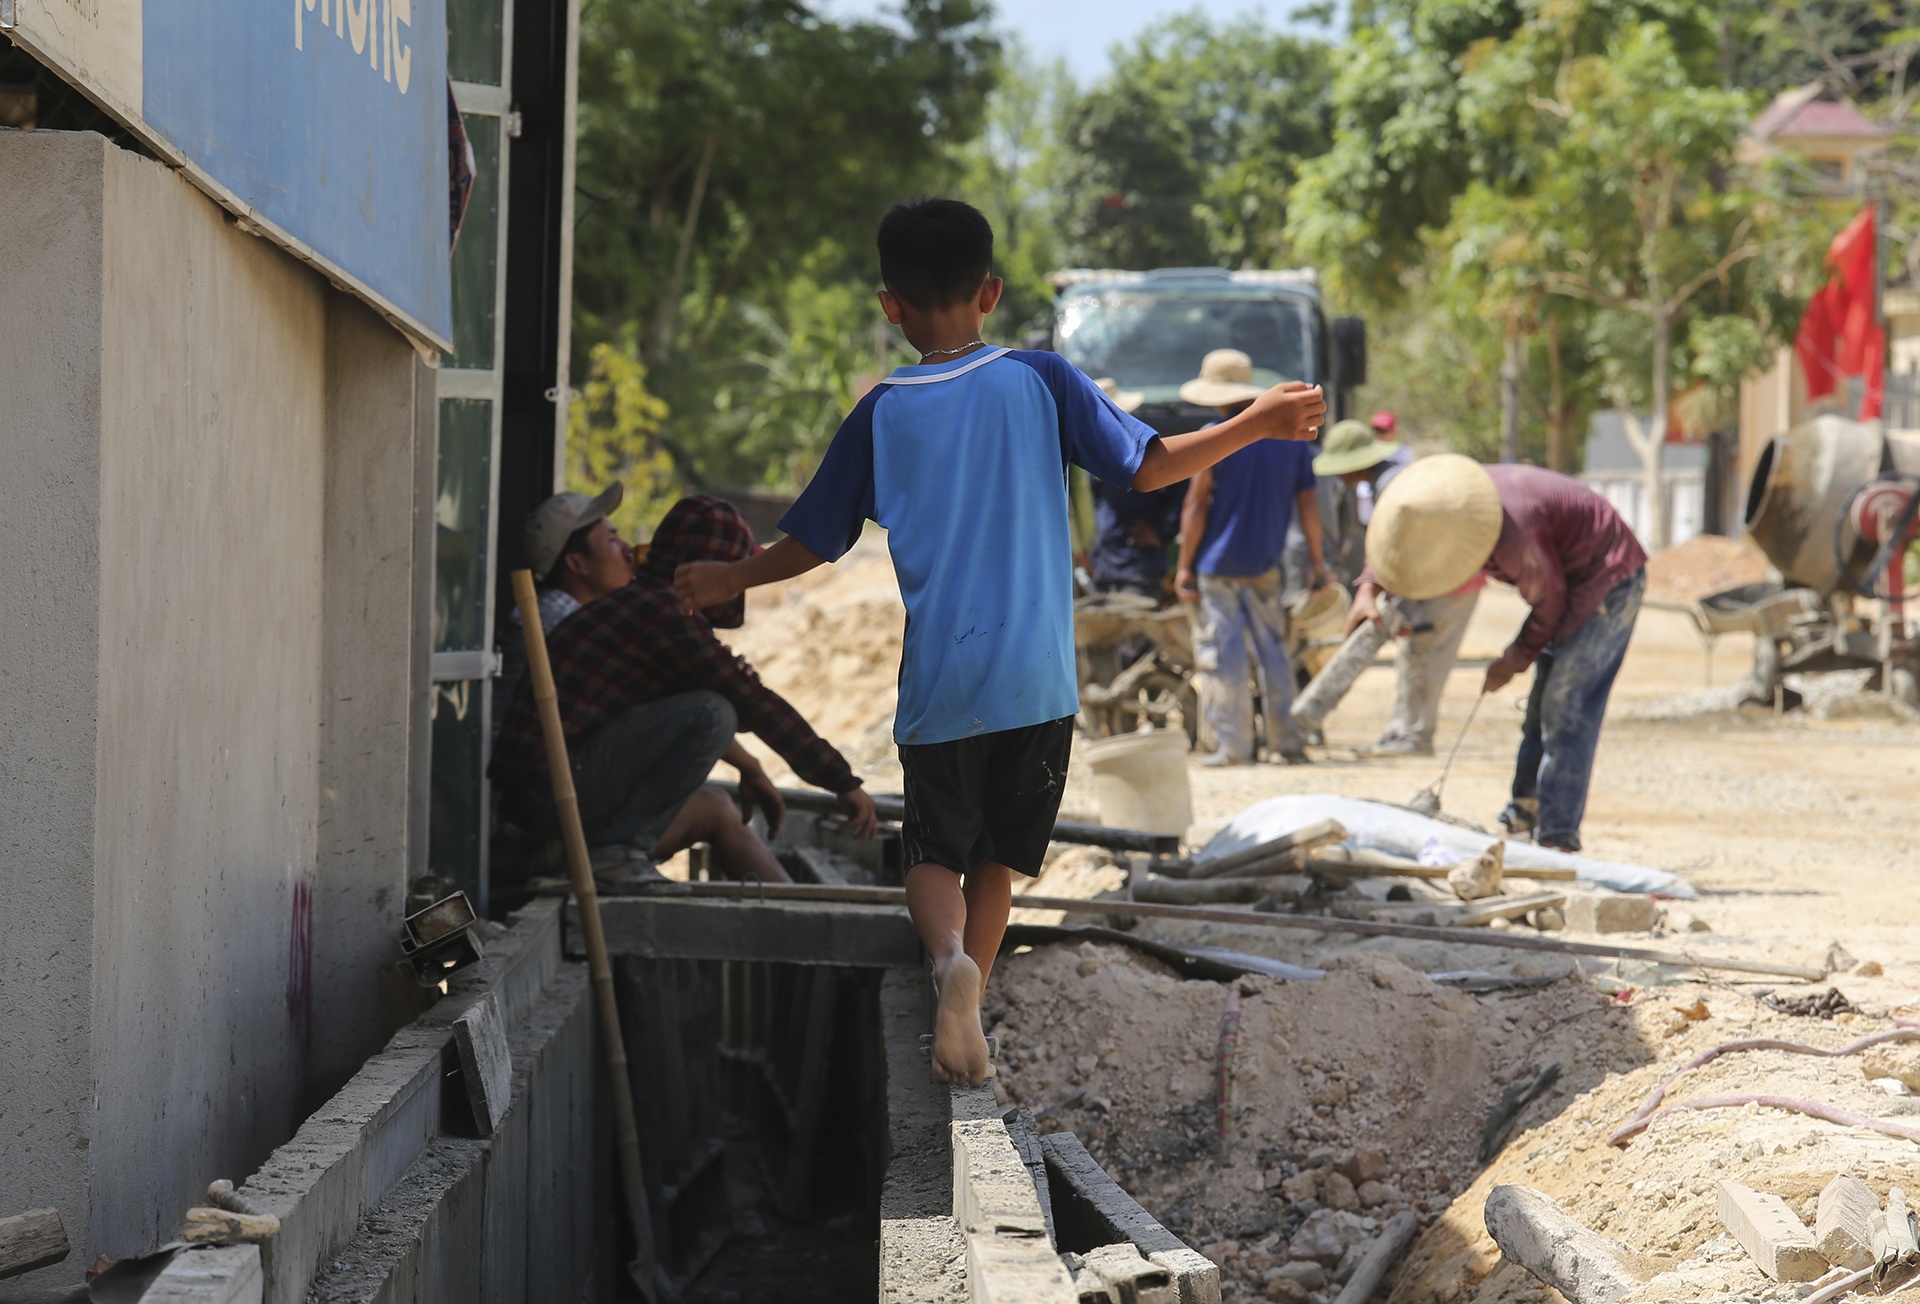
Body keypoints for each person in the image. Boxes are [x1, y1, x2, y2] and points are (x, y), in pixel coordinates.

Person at [674, 199, 1326, 1085]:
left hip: (944, 678)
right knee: (999, 861)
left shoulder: (882, 413)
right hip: (1038, 681)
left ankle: (949, 967)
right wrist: (1254, 422)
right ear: (991, 292)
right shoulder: (1041, 379)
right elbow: (1150, 464)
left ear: (890, 307)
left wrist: (727, 579)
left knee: (934, 852)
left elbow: (816, 544)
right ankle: (971, 1004)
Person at [491, 495, 880, 886]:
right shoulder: (663, 613)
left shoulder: (642, 606)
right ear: (705, 569)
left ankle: (618, 852)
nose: (739, 582)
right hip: (543, 806)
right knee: (712, 713)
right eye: (735, 569)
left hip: (540, 801)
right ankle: (615, 854)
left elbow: (732, 696)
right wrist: (841, 781)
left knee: (717, 716)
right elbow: (751, 702)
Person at [1349, 455, 1646, 850]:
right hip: (1564, 579)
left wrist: (1512, 660)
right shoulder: (1435, 502)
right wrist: (1369, 586)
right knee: (1540, 707)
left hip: (1607, 577)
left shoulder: (1513, 533)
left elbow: (1550, 603)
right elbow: (1396, 537)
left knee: (1566, 703)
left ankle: (1558, 836)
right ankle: (1524, 814)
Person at [1172, 348, 1330, 767]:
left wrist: (1184, 565)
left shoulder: (1216, 435)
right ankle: (1289, 743)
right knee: (1274, 651)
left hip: (1218, 566)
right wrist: (1318, 560)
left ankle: (1234, 747)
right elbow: (1308, 506)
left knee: (1225, 655)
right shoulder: (1293, 441)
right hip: (1266, 563)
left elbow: (1196, 507)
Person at [494, 484, 635, 749]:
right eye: (612, 540)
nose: (628, 549)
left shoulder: (574, 616)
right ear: (577, 563)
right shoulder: (554, 621)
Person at [1087, 379, 1185, 600]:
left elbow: (1181, 488)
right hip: (1106, 566)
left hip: (1139, 566)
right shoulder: (1091, 454)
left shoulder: (1142, 450)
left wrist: (1161, 532)